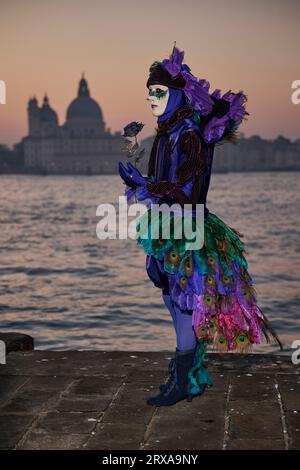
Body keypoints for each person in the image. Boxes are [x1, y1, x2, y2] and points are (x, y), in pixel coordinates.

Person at [119, 43, 282, 407]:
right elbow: (161, 176)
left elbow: (187, 190)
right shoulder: (167, 134)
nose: (152, 99)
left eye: (159, 92)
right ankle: (186, 377)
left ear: (178, 95)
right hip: (166, 228)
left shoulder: (189, 137)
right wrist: (135, 157)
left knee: (185, 304)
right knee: (172, 300)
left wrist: (144, 187)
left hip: (186, 230)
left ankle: (183, 381)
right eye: (149, 93)